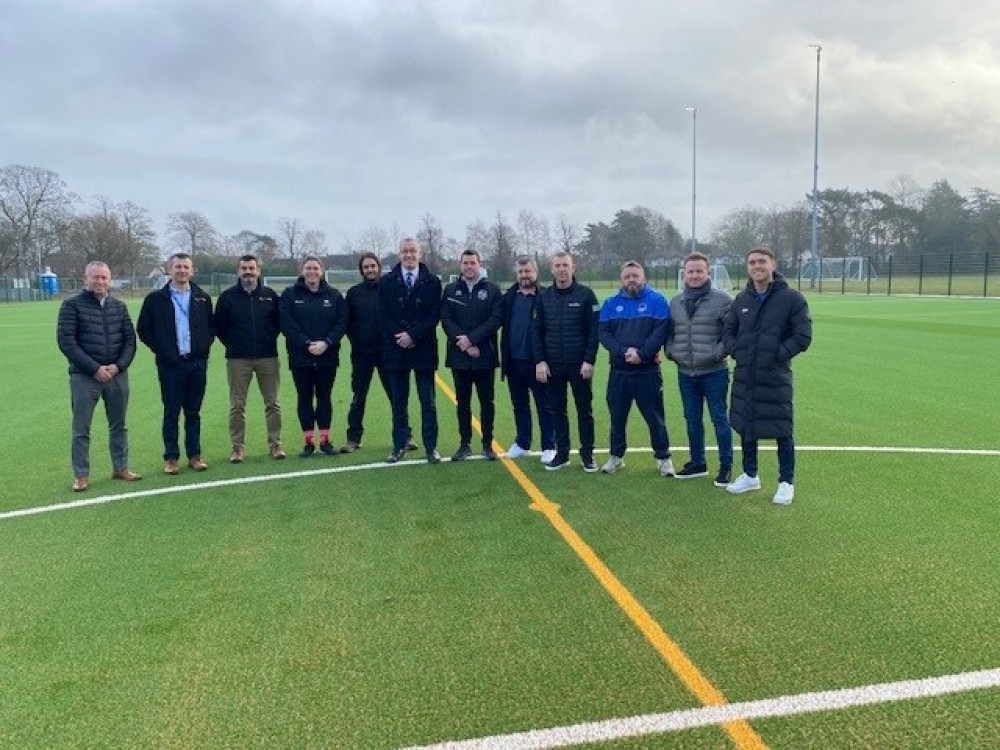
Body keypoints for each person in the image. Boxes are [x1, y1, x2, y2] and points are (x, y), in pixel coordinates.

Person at [722, 244, 812, 505]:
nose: (757, 266)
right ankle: (750, 475)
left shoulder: (792, 299)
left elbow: (803, 336)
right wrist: (737, 351)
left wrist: (776, 354)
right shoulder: (742, 299)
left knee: (782, 428)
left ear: (773, 264)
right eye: (752, 263)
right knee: (746, 424)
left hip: (775, 375)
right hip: (745, 374)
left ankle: (786, 481)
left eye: (762, 261)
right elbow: (728, 331)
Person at [57, 261, 141, 491]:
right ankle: (81, 475)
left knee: (119, 425)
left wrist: (118, 366)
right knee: (81, 428)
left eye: (104, 278)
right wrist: (94, 368)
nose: (100, 282)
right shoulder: (71, 305)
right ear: (85, 279)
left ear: (110, 280)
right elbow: (67, 342)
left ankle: (121, 467)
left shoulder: (119, 306)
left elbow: (130, 341)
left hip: (117, 375)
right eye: (95, 277)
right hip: (84, 377)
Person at [138, 252, 214, 475]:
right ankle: (171, 458)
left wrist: (202, 350)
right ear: (169, 270)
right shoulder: (155, 299)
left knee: (193, 412)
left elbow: (211, 327)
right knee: (171, 412)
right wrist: (163, 349)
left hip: (196, 364)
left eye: (186, 267)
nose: (182, 270)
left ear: (192, 270)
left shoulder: (202, 297)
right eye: (178, 266)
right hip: (170, 365)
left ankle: (194, 455)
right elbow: (144, 329)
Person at [597, 261, 674, 476]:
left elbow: (660, 332)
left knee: (655, 418)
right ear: (621, 280)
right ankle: (616, 456)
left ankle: (663, 458)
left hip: (647, 371)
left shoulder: (657, 300)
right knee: (617, 417)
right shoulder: (610, 303)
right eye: (627, 276)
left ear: (644, 278)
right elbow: (603, 334)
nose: (632, 279)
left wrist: (641, 354)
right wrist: (623, 352)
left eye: (635, 276)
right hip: (619, 371)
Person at [665, 252, 734, 486]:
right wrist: (672, 352)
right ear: (685, 274)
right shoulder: (676, 302)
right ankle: (698, 462)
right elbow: (670, 333)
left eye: (699, 271)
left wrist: (716, 354)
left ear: (708, 273)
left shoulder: (723, 300)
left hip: (715, 372)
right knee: (692, 419)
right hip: (686, 372)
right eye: (690, 271)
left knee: (719, 419)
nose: (694, 275)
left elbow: (731, 335)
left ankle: (726, 467)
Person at [531, 251, 600, 472]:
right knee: (557, 410)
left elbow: (594, 331)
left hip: (579, 365)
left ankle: (587, 454)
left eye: (565, 265)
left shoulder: (586, 295)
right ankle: (562, 453)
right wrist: (540, 361)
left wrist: (589, 360)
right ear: (552, 269)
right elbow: (536, 331)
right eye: (557, 265)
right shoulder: (544, 297)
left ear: (573, 267)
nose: (562, 269)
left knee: (584, 410)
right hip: (553, 365)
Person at [213, 254, 285, 463]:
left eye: (251, 268)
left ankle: (275, 444)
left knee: (273, 403)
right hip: (238, 359)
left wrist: (265, 341)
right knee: (237, 405)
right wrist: (235, 344)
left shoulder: (270, 295)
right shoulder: (227, 297)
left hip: (267, 357)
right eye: (244, 268)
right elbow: (219, 327)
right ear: (238, 271)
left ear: (258, 271)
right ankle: (237, 448)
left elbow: (278, 324)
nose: (248, 272)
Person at [340, 252, 415, 454]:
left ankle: (405, 436)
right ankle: (353, 438)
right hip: (361, 354)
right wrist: (358, 341)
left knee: (396, 396)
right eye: (366, 267)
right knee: (358, 397)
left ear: (379, 267)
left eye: (373, 266)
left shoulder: (389, 288)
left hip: (388, 354)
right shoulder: (354, 293)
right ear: (361, 270)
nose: (370, 269)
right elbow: (347, 323)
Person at [379, 236, 443, 464]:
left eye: (412, 251)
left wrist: (413, 335)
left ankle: (431, 447)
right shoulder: (386, 282)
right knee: (399, 402)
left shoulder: (433, 282)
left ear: (420, 254)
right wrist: (401, 337)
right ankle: (399, 446)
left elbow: (434, 314)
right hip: (396, 350)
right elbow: (383, 315)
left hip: (423, 348)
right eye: (404, 251)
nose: (408, 255)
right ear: (399, 254)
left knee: (428, 402)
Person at [279, 255, 348, 457]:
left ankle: (325, 441)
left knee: (324, 397)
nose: (312, 272)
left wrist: (326, 342)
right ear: (302, 271)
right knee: (305, 398)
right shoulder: (289, 294)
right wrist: (306, 343)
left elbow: (342, 322)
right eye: (308, 268)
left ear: (322, 271)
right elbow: (286, 323)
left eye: (315, 268)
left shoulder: (334, 295)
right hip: (301, 357)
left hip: (327, 356)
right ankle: (309, 443)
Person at [441, 248, 503, 461]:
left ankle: (487, 444)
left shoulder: (493, 290)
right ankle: (464, 443)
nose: (468, 267)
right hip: (459, 357)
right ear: (461, 265)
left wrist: (473, 339)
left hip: (484, 356)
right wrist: (465, 343)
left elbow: (495, 320)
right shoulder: (450, 290)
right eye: (465, 263)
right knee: (463, 402)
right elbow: (446, 320)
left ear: (479, 264)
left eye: (472, 263)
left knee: (487, 402)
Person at [500, 256, 555, 464]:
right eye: (521, 272)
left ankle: (549, 445)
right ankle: (523, 443)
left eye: (528, 272)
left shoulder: (546, 297)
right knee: (519, 404)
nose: (524, 276)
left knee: (544, 405)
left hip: (538, 362)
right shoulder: (509, 297)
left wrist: (544, 360)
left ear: (536, 272)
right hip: (514, 361)